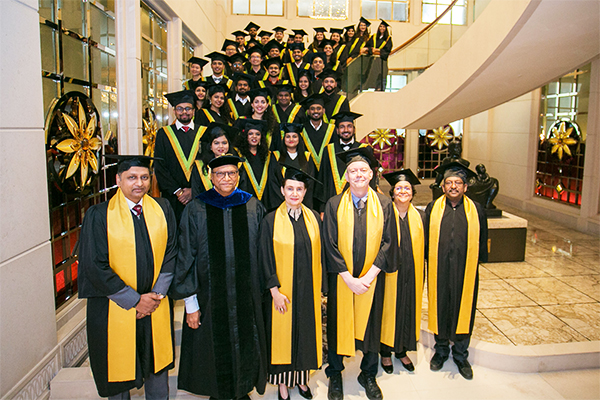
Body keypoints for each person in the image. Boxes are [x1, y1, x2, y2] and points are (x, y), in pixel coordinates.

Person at [170, 154, 268, 400]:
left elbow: (264, 253)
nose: (227, 178)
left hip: (246, 294)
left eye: (232, 173)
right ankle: (218, 391)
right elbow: (186, 257)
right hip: (208, 296)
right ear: (211, 177)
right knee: (213, 346)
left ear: (238, 176)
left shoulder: (252, 206)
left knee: (247, 340)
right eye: (221, 174)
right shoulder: (196, 208)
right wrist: (191, 305)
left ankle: (242, 388)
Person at [79, 155, 177, 399]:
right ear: (118, 180)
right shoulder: (98, 214)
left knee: (156, 367)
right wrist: (135, 300)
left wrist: (156, 295)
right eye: (132, 177)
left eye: (144, 177)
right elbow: (95, 265)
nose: (139, 184)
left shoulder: (163, 208)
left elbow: (172, 251)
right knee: (119, 372)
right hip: (116, 306)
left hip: (155, 305)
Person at [322, 147, 397, 400]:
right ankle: (335, 373)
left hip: (371, 280)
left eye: (363, 170)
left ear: (371, 173)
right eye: (353, 171)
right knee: (336, 324)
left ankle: (368, 373)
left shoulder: (385, 203)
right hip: (343, 279)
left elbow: (389, 243)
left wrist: (367, 278)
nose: (358, 175)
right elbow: (329, 244)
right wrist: (348, 278)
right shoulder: (334, 203)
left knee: (371, 327)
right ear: (346, 176)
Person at [258, 166, 324, 400]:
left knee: (305, 334)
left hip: (307, 290)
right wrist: (274, 290)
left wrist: (321, 289)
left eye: (299, 189)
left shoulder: (314, 218)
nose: (294, 193)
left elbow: (321, 255)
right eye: (290, 189)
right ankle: (283, 384)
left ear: (305, 192)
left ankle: (302, 380)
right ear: (282, 190)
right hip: (282, 291)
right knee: (282, 337)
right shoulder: (270, 220)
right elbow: (264, 257)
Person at [424, 161, 488, 380]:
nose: (453, 186)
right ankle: (441, 350)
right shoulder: (433, 208)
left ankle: (460, 354)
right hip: (439, 267)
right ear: (443, 186)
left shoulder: (476, 209)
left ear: (465, 187)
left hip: (464, 268)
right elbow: (425, 239)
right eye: (449, 182)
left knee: (464, 307)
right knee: (440, 305)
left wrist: (479, 261)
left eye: (458, 183)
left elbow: (484, 239)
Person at [379, 169, 425, 374]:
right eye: (399, 188)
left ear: (413, 193)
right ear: (392, 192)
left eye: (407, 188)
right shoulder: (384, 215)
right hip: (390, 274)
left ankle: (402, 350)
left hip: (412, 274)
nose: (403, 191)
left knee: (407, 308)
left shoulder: (421, 217)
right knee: (388, 310)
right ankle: (385, 352)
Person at [154, 90, 207, 222]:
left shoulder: (204, 133)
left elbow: (207, 164)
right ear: (174, 111)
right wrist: (178, 191)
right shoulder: (163, 134)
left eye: (188, 108)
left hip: (199, 195)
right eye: (180, 109)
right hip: (172, 197)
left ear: (194, 111)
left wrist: (193, 190)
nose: (184, 112)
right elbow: (160, 166)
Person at [317, 111, 376, 206]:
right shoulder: (328, 150)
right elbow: (323, 180)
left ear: (354, 129)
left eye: (349, 126)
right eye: (342, 127)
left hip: (357, 203)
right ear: (337, 130)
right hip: (332, 203)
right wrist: (322, 208)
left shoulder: (364, 149)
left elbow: (371, 179)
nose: (346, 130)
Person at [236, 118, 284, 211]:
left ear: (261, 137)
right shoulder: (238, 155)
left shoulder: (269, 156)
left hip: (267, 201)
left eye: (257, 134)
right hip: (246, 201)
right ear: (245, 136)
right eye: (250, 134)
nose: (254, 137)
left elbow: (277, 178)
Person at [273, 122, 318, 208]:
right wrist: (284, 202)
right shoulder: (276, 157)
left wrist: (301, 201)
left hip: (303, 203)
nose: (291, 139)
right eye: (288, 136)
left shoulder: (307, 157)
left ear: (299, 139)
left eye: (294, 136)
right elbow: (273, 182)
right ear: (284, 139)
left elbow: (310, 184)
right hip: (281, 204)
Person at [191, 122, 233, 196]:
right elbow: (196, 193)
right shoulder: (200, 166)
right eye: (216, 143)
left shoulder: (237, 165)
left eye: (224, 143)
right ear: (210, 146)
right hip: (205, 206)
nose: (221, 146)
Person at [300, 93, 336, 173]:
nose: (315, 111)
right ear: (308, 112)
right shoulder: (301, 130)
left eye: (318, 108)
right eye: (312, 109)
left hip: (327, 170)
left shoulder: (332, 129)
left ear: (323, 111)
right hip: (307, 171)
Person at [365, 20, 393, 91]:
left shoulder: (388, 39)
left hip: (381, 61)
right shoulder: (374, 37)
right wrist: (372, 49)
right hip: (373, 61)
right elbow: (367, 46)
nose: (382, 28)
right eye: (380, 26)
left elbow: (387, 50)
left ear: (386, 29)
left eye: (383, 27)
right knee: (372, 74)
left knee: (381, 75)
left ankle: (380, 88)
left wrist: (377, 50)